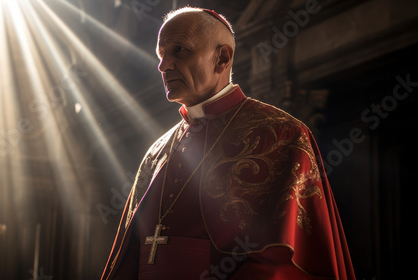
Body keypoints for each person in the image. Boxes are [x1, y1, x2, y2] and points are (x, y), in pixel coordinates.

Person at [101, 6, 355, 280]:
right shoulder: (156, 152)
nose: (164, 66)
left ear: (222, 58)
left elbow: (280, 262)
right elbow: (129, 256)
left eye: (179, 50)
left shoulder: (282, 134)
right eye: (161, 56)